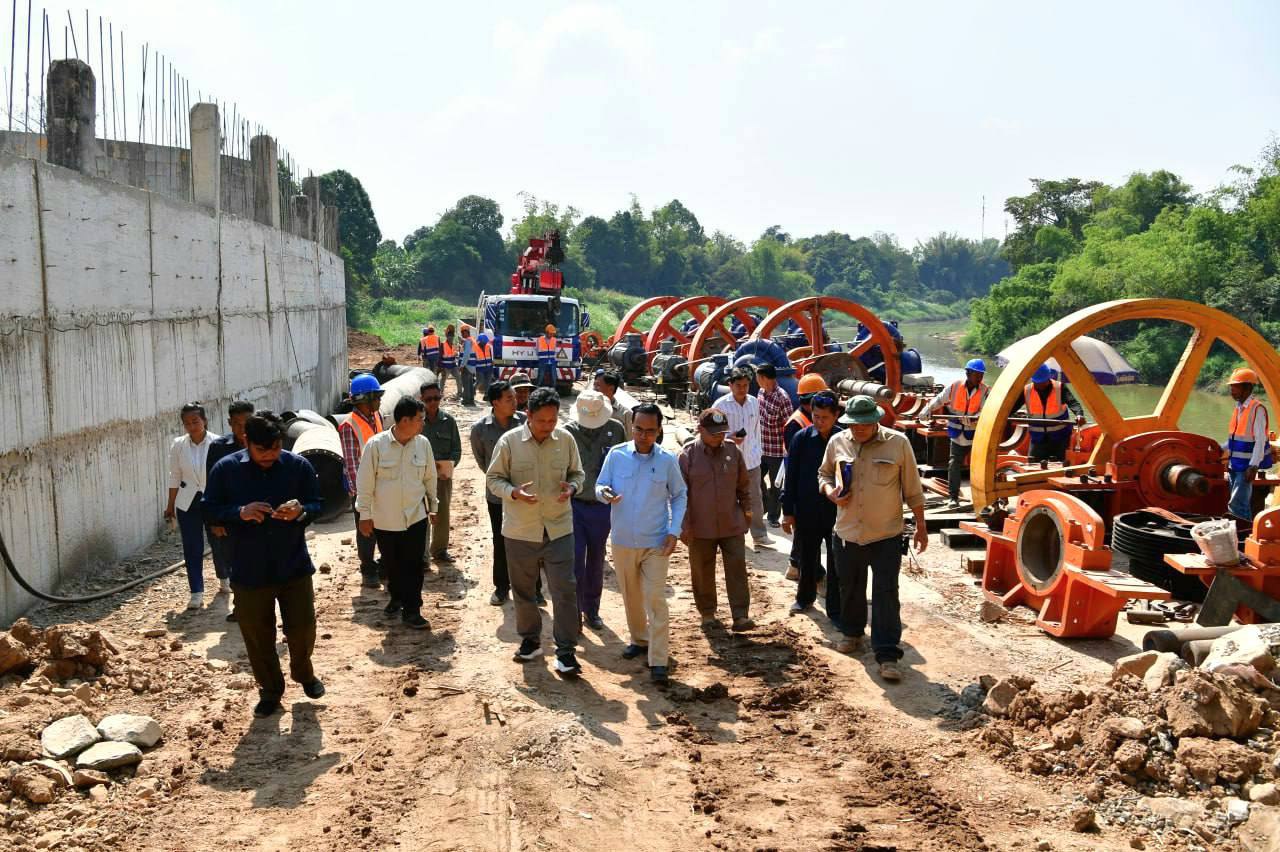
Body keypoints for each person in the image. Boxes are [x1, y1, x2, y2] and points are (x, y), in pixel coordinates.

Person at [203, 411, 325, 718]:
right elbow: (209, 509)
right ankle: (270, 691)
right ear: (246, 441)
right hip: (248, 569)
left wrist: (301, 510)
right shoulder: (226, 470)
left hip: (293, 565)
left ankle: (303, 673)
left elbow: (318, 503)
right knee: (258, 637)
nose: (270, 455)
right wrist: (240, 512)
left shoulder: (298, 466)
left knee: (303, 628)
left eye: (276, 448)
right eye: (262, 450)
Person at [819, 395, 927, 682]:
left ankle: (887, 654)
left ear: (876, 420)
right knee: (850, 588)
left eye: (865, 424)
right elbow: (824, 474)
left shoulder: (898, 443)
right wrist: (830, 492)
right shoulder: (837, 442)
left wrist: (921, 526)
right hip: (847, 533)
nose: (859, 429)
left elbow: (913, 489)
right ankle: (852, 634)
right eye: (854, 425)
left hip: (885, 535)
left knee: (886, 594)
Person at [487, 388, 586, 675]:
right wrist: (513, 492)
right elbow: (494, 479)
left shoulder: (565, 440)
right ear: (528, 415)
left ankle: (566, 652)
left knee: (565, 590)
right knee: (523, 591)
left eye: (552, 420)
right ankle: (530, 641)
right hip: (520, 530)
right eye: (541, 420)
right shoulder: (509, 442)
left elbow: (578, 474)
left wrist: (573, 487)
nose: (547, 426)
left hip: (558, 529)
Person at [597, 403, 686, 684]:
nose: (643, 435)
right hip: (623, 540)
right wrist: (604, 493)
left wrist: (674, 531)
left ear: (659, 431)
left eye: (650, 431)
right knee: (631, 596)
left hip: (656, 542)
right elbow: (600, 485)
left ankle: (658, 659)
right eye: (638, 429)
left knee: (655, 598)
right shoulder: (616, 455)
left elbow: (679, 495)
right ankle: (639, 639)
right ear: (631, 427)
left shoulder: (667, 460)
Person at [356, 396, 438, 630]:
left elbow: (430, 478)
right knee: (392, 565)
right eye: (419, 419)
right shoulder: (376, 445)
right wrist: (364, 515)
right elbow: (365, 482)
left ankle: (413, 611)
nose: (423, 423)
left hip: (415, 517)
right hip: (385, 519)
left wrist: (434, 507)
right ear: (404, 420)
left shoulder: (422, 444)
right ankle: (396, 597)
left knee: (414, 565)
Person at [679, 409, 753, 632]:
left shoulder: (733, 451)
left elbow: (743, 486)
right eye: (713, 433)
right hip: (700, 527)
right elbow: (680, 495)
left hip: (732, 523)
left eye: (722, 433)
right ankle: (707, 614)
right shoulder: (687, 455)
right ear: (700, 430)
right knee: (702, 571)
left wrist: (747, 512)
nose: (719, 437)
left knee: (737, 569)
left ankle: (740, 615)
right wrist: (684, 525)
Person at [470, 381, 541, 606]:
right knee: (500, 540)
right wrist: (504, 485)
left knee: (531, 539)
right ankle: (501, 587)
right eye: (509, 398)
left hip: (527, 492)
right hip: (498, 496)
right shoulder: (480, 429)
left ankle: (535, 588)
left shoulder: (525, 422)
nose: (515, 401)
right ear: (495, 402)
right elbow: (484, 463)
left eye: (514, 397)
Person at [564, 390, 627, 630]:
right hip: (574, 505)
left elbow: (622, 465)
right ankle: (574, 613)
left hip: (602, 507)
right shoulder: (567, 433)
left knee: (596, 559)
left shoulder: (616, 430)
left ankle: (592, 610)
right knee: (575, 560)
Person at [781, 391, 842, 624]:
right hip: (807, 508)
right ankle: (804, 598)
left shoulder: (844, 439)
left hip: (836, 510)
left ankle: (835, 609)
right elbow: (791, 476)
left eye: (825, 417)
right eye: (816, 416)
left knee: (836, 561)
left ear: (836, 415)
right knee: (807, 557)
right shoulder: (801, 439)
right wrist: (788, 512)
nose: (819, 421)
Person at [166, 402, 220, 611]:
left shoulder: (217, 443)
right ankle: (196, 592)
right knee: (192, 547)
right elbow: (175, 476)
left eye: (195, 421)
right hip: (187, 501)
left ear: (204, 420)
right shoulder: (178, 445)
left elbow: (223, 475)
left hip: (213, 499)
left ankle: (224, 577)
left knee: (218, 542)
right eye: (187, 423)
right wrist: (170, 505)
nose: (191, 426)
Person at [206, 400, 255, 623]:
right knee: (234, 563)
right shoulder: (219, 448)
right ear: (229, 423)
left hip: (259, 515)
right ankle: (241, 606)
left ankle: (260, 606)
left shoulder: (263, 443)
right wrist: (215, 520)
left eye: (247, 423)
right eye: (237, 423)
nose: (242, 429)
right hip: (230, 516)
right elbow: (212, 485)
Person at [712, 366, 771, 547]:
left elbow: (756, 430)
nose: (742, 389)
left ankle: (759, 535)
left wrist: (758, 451)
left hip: (751, 460)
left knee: (754, 498)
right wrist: (728, 438)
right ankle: (729, 534)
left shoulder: (754, 403)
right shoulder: (720, 406)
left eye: (745, 385)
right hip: (727, 461)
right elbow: (711, 431)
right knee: (727, 499)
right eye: (738, 385)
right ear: (730, 385)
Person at [339, 374, 385, 587]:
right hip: (363, 488)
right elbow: (351, 464)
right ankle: (368, 569)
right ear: (365, 398)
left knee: (385, 527)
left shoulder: (377, 417)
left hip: (383, 484)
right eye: (377, 396)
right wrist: (361, 495)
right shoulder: (349, 425)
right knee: (366, 531)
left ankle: (384, 565)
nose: (380, 400)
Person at [925, 358, 989, 509]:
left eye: (981, 375)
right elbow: (939, 400)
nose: (980, 378)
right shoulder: (955, 387)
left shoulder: (985, 390)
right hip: (957, 434)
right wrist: (927, 409)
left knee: (979, 466)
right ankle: (953, 498)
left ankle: (983, 499)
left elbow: (985, 410)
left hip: (975, 435)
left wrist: (974, 419)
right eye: (977, 374)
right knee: (954, 464)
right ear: (968, 373)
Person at [782, 373, 829, 581]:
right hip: (804, 486)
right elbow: (797, 465)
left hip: (814, 483)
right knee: (806, 533)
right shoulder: (797, 424)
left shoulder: (811, 419)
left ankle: (794, 565)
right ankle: (811, 573)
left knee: (804, 533)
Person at [420, 380, 462, 565]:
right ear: (421, 399)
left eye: (436, 398)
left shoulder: (449, 422)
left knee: (442, 514)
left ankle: (439, 550)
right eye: (428, 399)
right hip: (420, 478)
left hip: (443, 478)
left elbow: (456, 450)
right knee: (421, 515)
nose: (433, 402)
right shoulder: (416, 422)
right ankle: (422, 556)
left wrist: (449, 466)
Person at [1012, 363, 1085, 462]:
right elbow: (1013, 407)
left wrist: (1079, 415)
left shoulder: (1060, 387)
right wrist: (1004, 417)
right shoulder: (1027, 390)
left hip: (1060, 438)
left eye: (1043, 382)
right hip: (1038, 439)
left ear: (1048, 378)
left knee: (1059, 465)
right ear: (1033, 380)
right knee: (1032, 464)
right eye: (1037, 383)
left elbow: (1073, 403)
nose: (1040, 386)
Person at [1226, 368, 1272, 520]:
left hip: (1246, 467)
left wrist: (1253, 466)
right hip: (1234, 464)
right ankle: (1243, 530)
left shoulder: (1257, 409)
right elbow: (1235, 437)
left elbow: (1260, 440)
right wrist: (1219, 448)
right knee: (1238, 505)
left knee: (1237, 505)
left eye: (1235, 386)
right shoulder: (1239, 408)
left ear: (1247, 388)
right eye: (1231, 386)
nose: (1232, 390)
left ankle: (1242, 531)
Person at [755, 363, 794, 529]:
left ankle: (773, 516)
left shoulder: (782, 398)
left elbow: (789, 425)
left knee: (776, 485)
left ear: (763, 378)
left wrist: (789, 449)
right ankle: (764, 504)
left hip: (777, 451)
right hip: (761, 447)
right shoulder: (761, 392)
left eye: (757, 377)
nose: (756, 380)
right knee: (755, 479)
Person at [594, 369, 633, 434]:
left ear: (611, 389)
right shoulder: (586, 408)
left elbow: (629, 438)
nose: (594, 389)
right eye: (594, 385)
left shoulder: (625, 414)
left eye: (598, 385)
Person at [458, 325, 478, 407]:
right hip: (472, 366)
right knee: (470, 384)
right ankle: (471, 400)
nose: (462, 334)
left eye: (462, 333)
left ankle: (466, 401)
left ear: (466, 332)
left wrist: (462, 365)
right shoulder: (472, 340)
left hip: (467, 366)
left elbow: (466, 355)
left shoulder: (468, 341)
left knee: (466, 384)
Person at [439, 324, 460, 400]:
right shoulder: (442, 345)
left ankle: (460, 393)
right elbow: (440, 357)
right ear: (447, 337)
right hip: (445, 367)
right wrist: (441, 367)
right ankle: (440, 393)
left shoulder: (453, 345)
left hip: (453, 365)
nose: (451, 338)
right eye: (449, 336)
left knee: (459, 378)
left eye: (452, 336)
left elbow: (454, 355)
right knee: (443, 380)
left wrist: (456, 354)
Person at [536, 324, 559, 388]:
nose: (552, 335)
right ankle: (537, 387)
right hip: (542, 361)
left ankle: (553, 389)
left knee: (554, 377)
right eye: (551, 333)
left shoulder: (554, 339)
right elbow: (537, 350)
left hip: (552, 361)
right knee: (540, 376)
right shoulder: (540, 339)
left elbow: (556, 350)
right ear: (546, 332)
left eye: (553, 334)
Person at [475, 331, 495, 399]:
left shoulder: (488, 346)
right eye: (484, 342)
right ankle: (472, 392)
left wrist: (492, 363)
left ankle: (486, 396)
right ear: (480, 341)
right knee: (480, 381)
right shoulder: (475, 348)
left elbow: (491, 356)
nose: (485, 343)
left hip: (488, 367)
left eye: (486, 342)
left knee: (488, 382)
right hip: (479, 368)